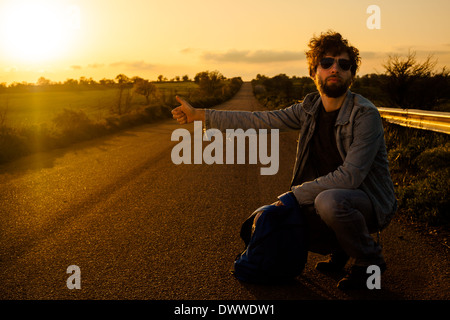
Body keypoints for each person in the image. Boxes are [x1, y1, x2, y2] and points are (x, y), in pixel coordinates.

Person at [171, 31, 397, 290]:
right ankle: (341, 249)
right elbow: (259, 120)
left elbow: (351, 177)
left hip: (369, 201)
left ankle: (370, 262)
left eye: (343, 64)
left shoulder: (364, 114)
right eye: (326, 63)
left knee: (323, 199)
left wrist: (294, 195)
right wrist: (200, 114)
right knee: (288, 214)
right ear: (314, 73)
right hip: (337, 199)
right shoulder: (308, 109)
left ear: (351, 75)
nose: (335, 68)